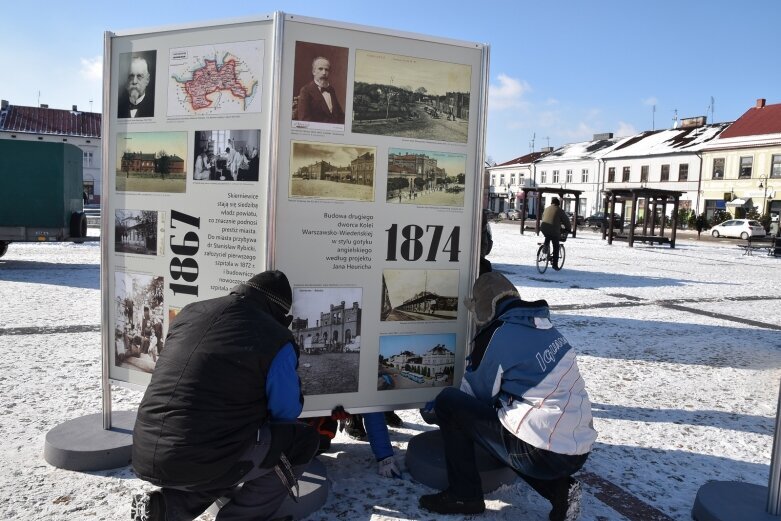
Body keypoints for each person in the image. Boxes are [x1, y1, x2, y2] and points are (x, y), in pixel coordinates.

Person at [130, 270, 319, 521]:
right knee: (299, 441)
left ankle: (167, 507)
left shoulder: (190, 312)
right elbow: (286, 411)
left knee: (228, 448)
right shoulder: (275, 336)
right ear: (280, 311)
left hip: (146, 447)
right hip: (205, 451)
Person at [419, 272, 597, 520]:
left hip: (540, 453)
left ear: (484, 307)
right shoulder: (547, 329)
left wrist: (433, 409)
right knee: (510, 424)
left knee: (451, 403)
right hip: (576, 450)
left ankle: (464, 495)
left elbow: (473, 397)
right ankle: (561, 491)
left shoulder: (496, 336)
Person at [295, 57, 345, 124]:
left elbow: (340, 115)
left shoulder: (331, 89)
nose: (324, 73)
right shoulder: (305, 90)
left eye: (326, 70)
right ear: (314, 72)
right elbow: (304, 120)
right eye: (320, 69)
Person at [118, 54, 155, 118]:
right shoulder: (119, 108)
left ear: (147, 80)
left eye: (139, 76)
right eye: (131, 76)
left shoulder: (153, 107)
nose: (134, 81)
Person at [540, 198, 571, 269]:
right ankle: (554, 264)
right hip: (554, 230)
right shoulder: (559, 210)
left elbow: (543, 217)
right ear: (558, 204)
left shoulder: (546, 208)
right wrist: (568, 228)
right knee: (556, 246)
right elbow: (566, 221)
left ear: (551, 203)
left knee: (547, 236)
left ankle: (545, 249)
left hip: (543, 228)